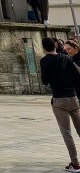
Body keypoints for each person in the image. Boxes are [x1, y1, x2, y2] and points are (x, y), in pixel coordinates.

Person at [41, 35, 80, 170]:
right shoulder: (66, 58)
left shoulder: (44, 61)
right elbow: (76, 77)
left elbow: (45, 81)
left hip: (59, 99)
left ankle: (75, 164)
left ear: (44, 48)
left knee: (67, 133)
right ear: (56, 45)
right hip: (73, 97)